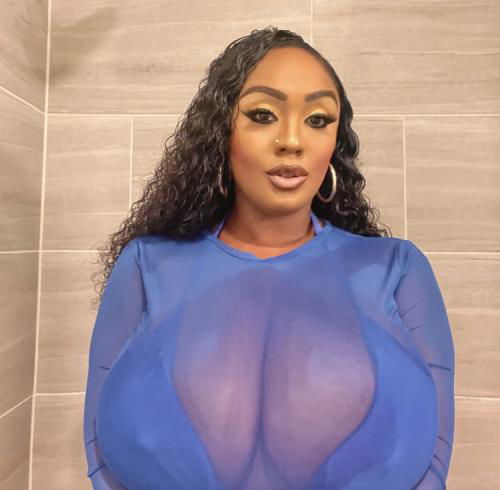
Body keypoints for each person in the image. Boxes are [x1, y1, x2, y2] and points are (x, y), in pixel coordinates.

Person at [83, 27, 455, 490]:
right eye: (263, 115)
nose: (292, 140)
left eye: (318, 119)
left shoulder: (398, 269)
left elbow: (434, 458)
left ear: (334, 144)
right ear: (221, 133)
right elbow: (100, 450)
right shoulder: (144, 265)